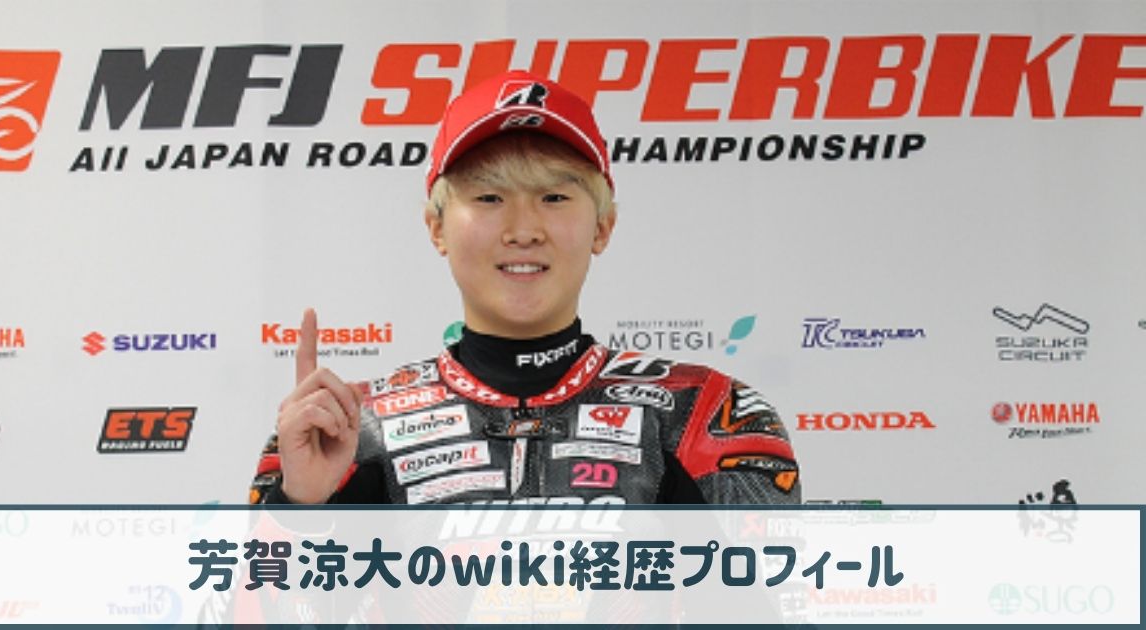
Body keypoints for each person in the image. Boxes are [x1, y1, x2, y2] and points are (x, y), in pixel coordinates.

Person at [250, 70, 800, 506]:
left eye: (554, 198)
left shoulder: (704, 415)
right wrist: (300, 507)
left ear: (602, 227)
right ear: (437, 228)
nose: (522, 230)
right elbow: (261, 604)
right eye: (489, 198)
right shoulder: (343, 429)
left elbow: (768, 599)